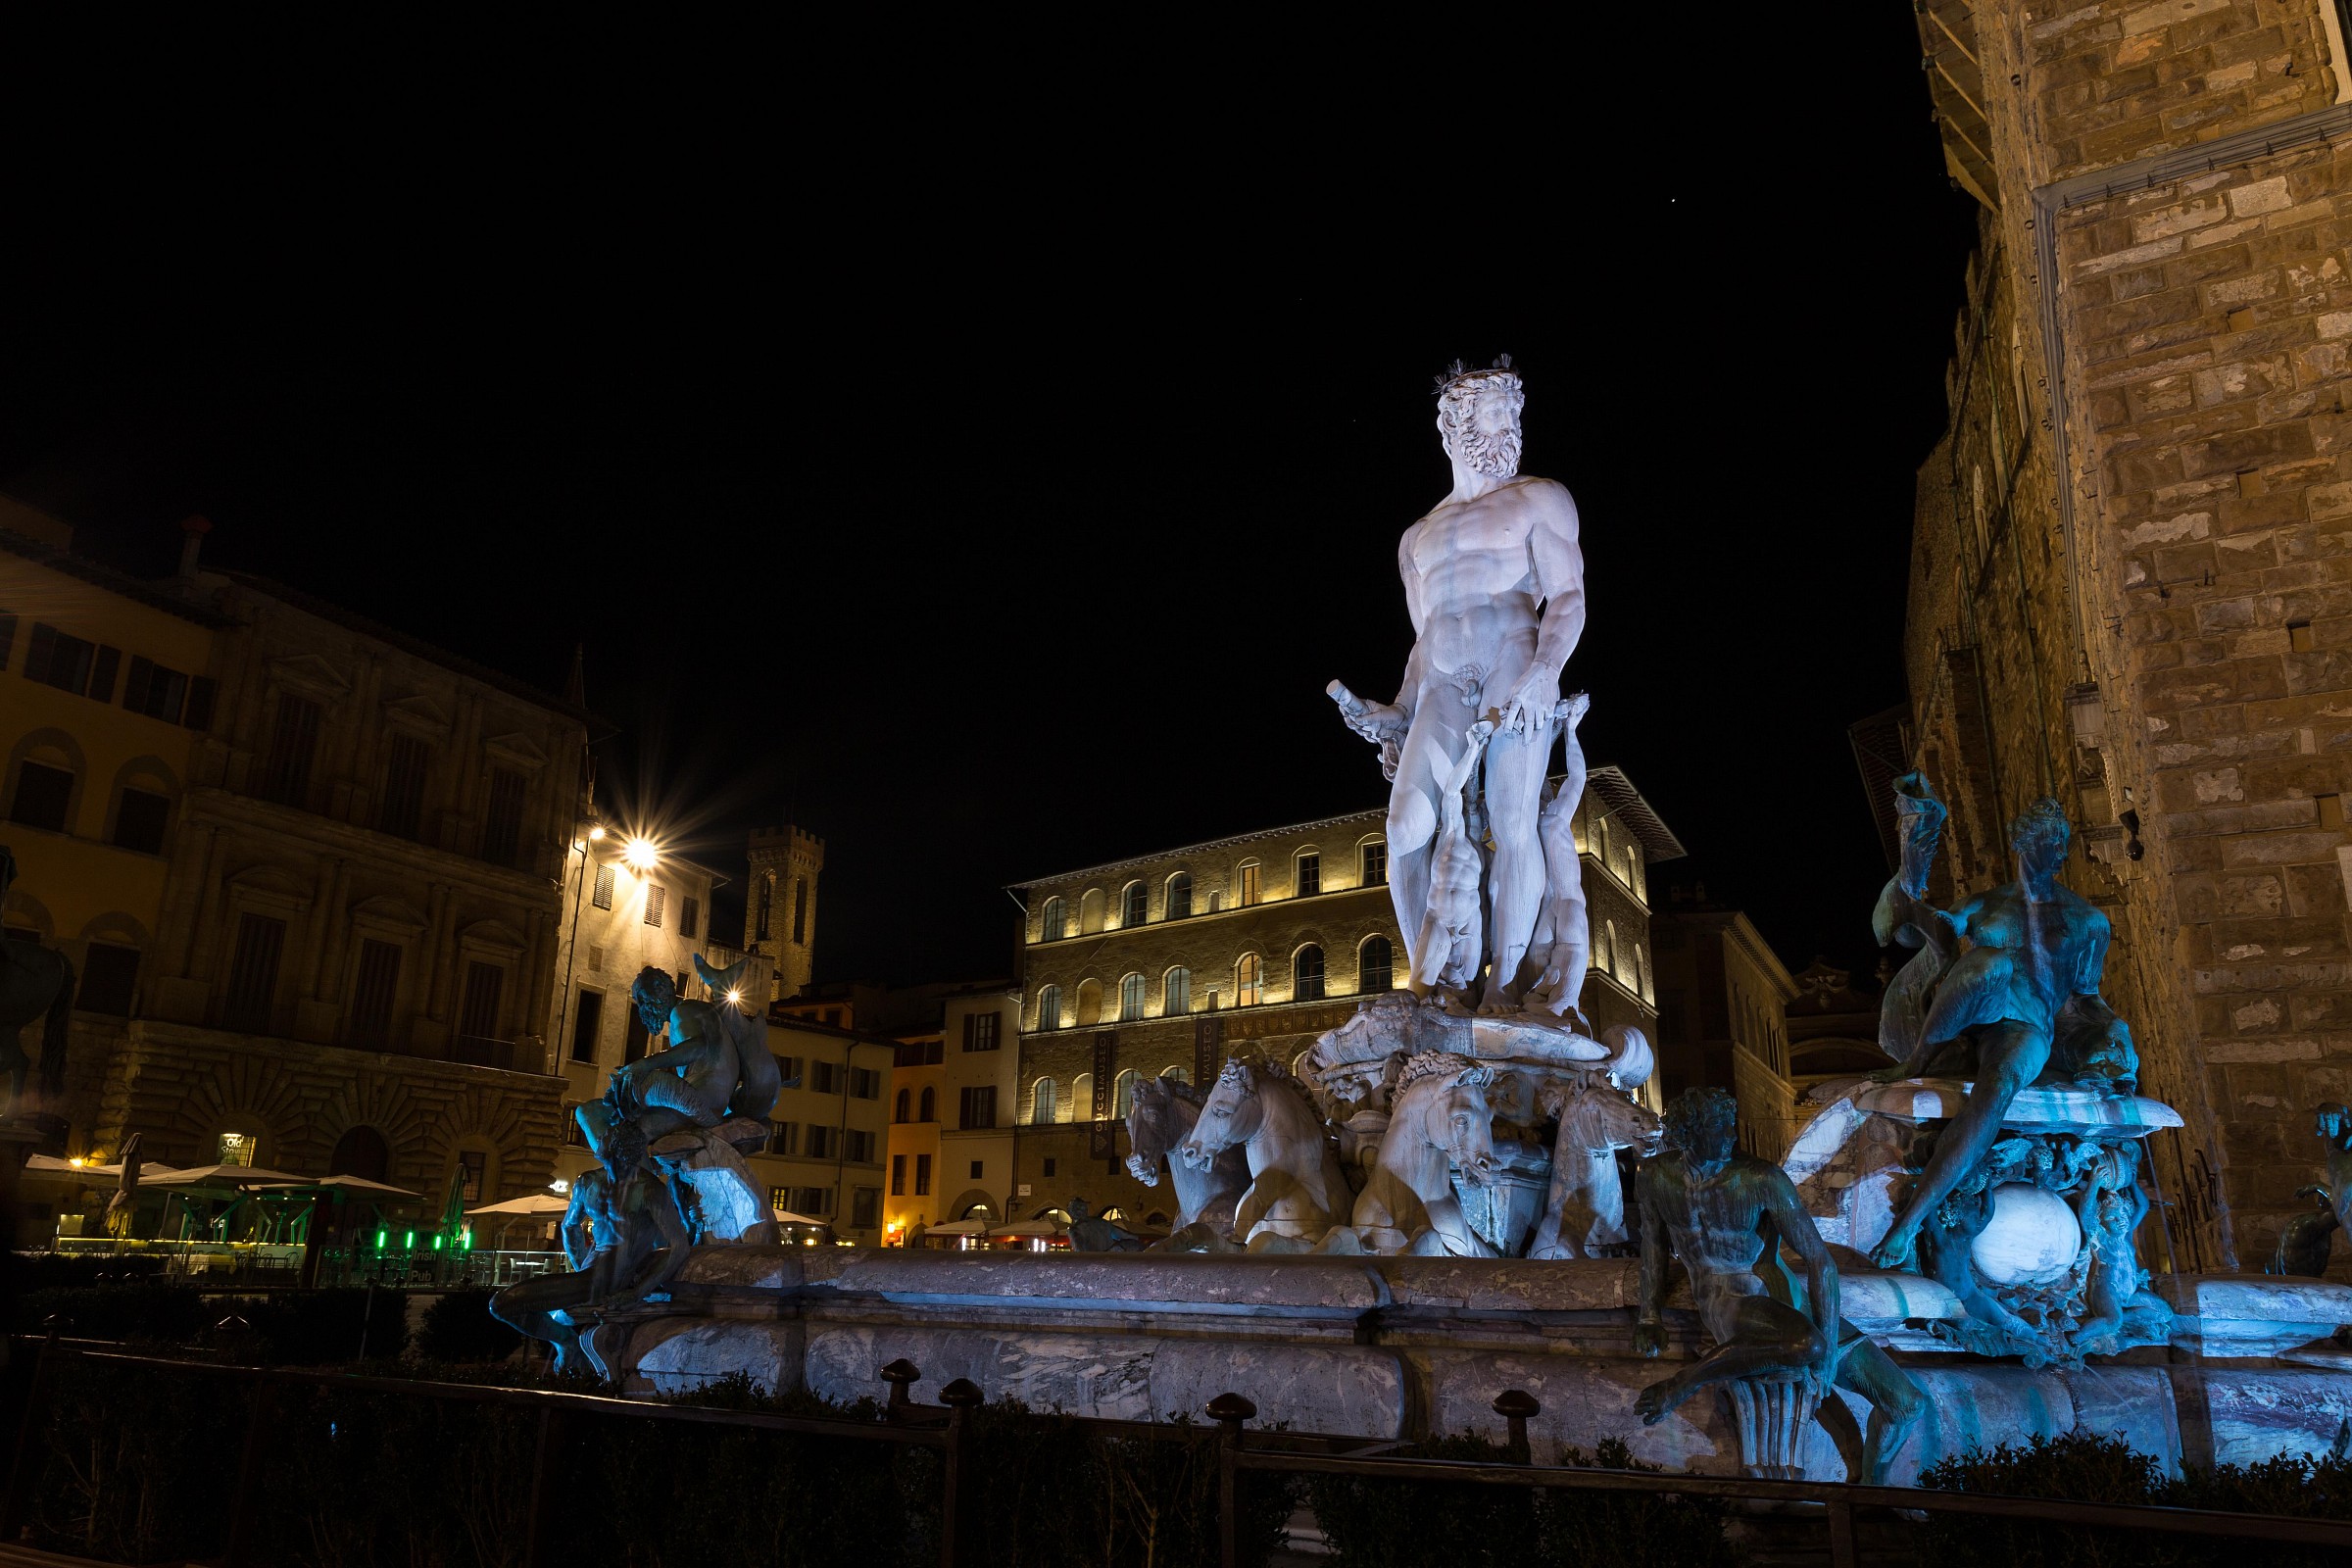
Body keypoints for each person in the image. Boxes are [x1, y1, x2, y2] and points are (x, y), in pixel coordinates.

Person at [1330, 358, 1586, 1012]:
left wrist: (1543, 676)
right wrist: (1395, 711)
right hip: (1441, 680)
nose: (1513, 431)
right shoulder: (1416, 536)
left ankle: (1502, 985)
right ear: (1458, 424)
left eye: (1516, 416)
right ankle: (1430, 977)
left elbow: (1568, 596)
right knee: (1406, 825)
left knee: (1511, 819)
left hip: (1514, 663)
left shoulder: (1540, 496)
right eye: (1501, 416)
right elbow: (1422, 643)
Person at [1869, 799, 2115, 1270]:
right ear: (2024, 842)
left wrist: (2109, 1045)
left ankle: (1910, 1221)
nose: (2060, 852)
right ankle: (1917, 1061)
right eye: (2050, 841)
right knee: (1988, 962)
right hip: (1973, 1016)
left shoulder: (2088, 921)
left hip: (2027, 1028)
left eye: (2064, 843)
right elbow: (1913, 934)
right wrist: (1912, 870)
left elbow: (2088, 997)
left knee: (1998, 1084)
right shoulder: (1984, 904)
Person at [1634, 1088, 1924, 1485]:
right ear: (1689, 1133)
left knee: (1907, 1403)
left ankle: (1872, 1493)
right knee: (1808, 1345)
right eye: (1719, 1127)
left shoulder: (1760, 1178)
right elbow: (1652, 1245)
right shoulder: (1653, 1177)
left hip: (1788, 1302)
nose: (1731, 1136)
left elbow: (1820, 1261)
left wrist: (1826, 1346)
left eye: (1730, 1125)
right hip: (1733, 1299)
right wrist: (1648, 1315)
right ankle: (1684, 1382)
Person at [491, 1121, 689, 1377]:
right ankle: (566, 1342)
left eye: (605, 1135)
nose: (599, 1139)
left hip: (611, 1279)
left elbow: (679, 1245)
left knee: (503, 1304)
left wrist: (638, 1292)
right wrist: (580, 1271)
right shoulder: (587, 1182)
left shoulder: (649, 1189)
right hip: (591, 1277)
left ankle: (566, 1342)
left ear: (618, 1146)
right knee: (503, 1304)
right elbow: (569, 1228)